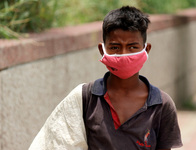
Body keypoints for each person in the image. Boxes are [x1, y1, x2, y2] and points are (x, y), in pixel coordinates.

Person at [29, 6, 183, 150]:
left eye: (132, 47)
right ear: (102, 50)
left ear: (146, 49)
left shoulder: (161, 105)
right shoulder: (85, 98)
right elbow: (56, 142)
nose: (123, 54)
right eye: (115, 47)